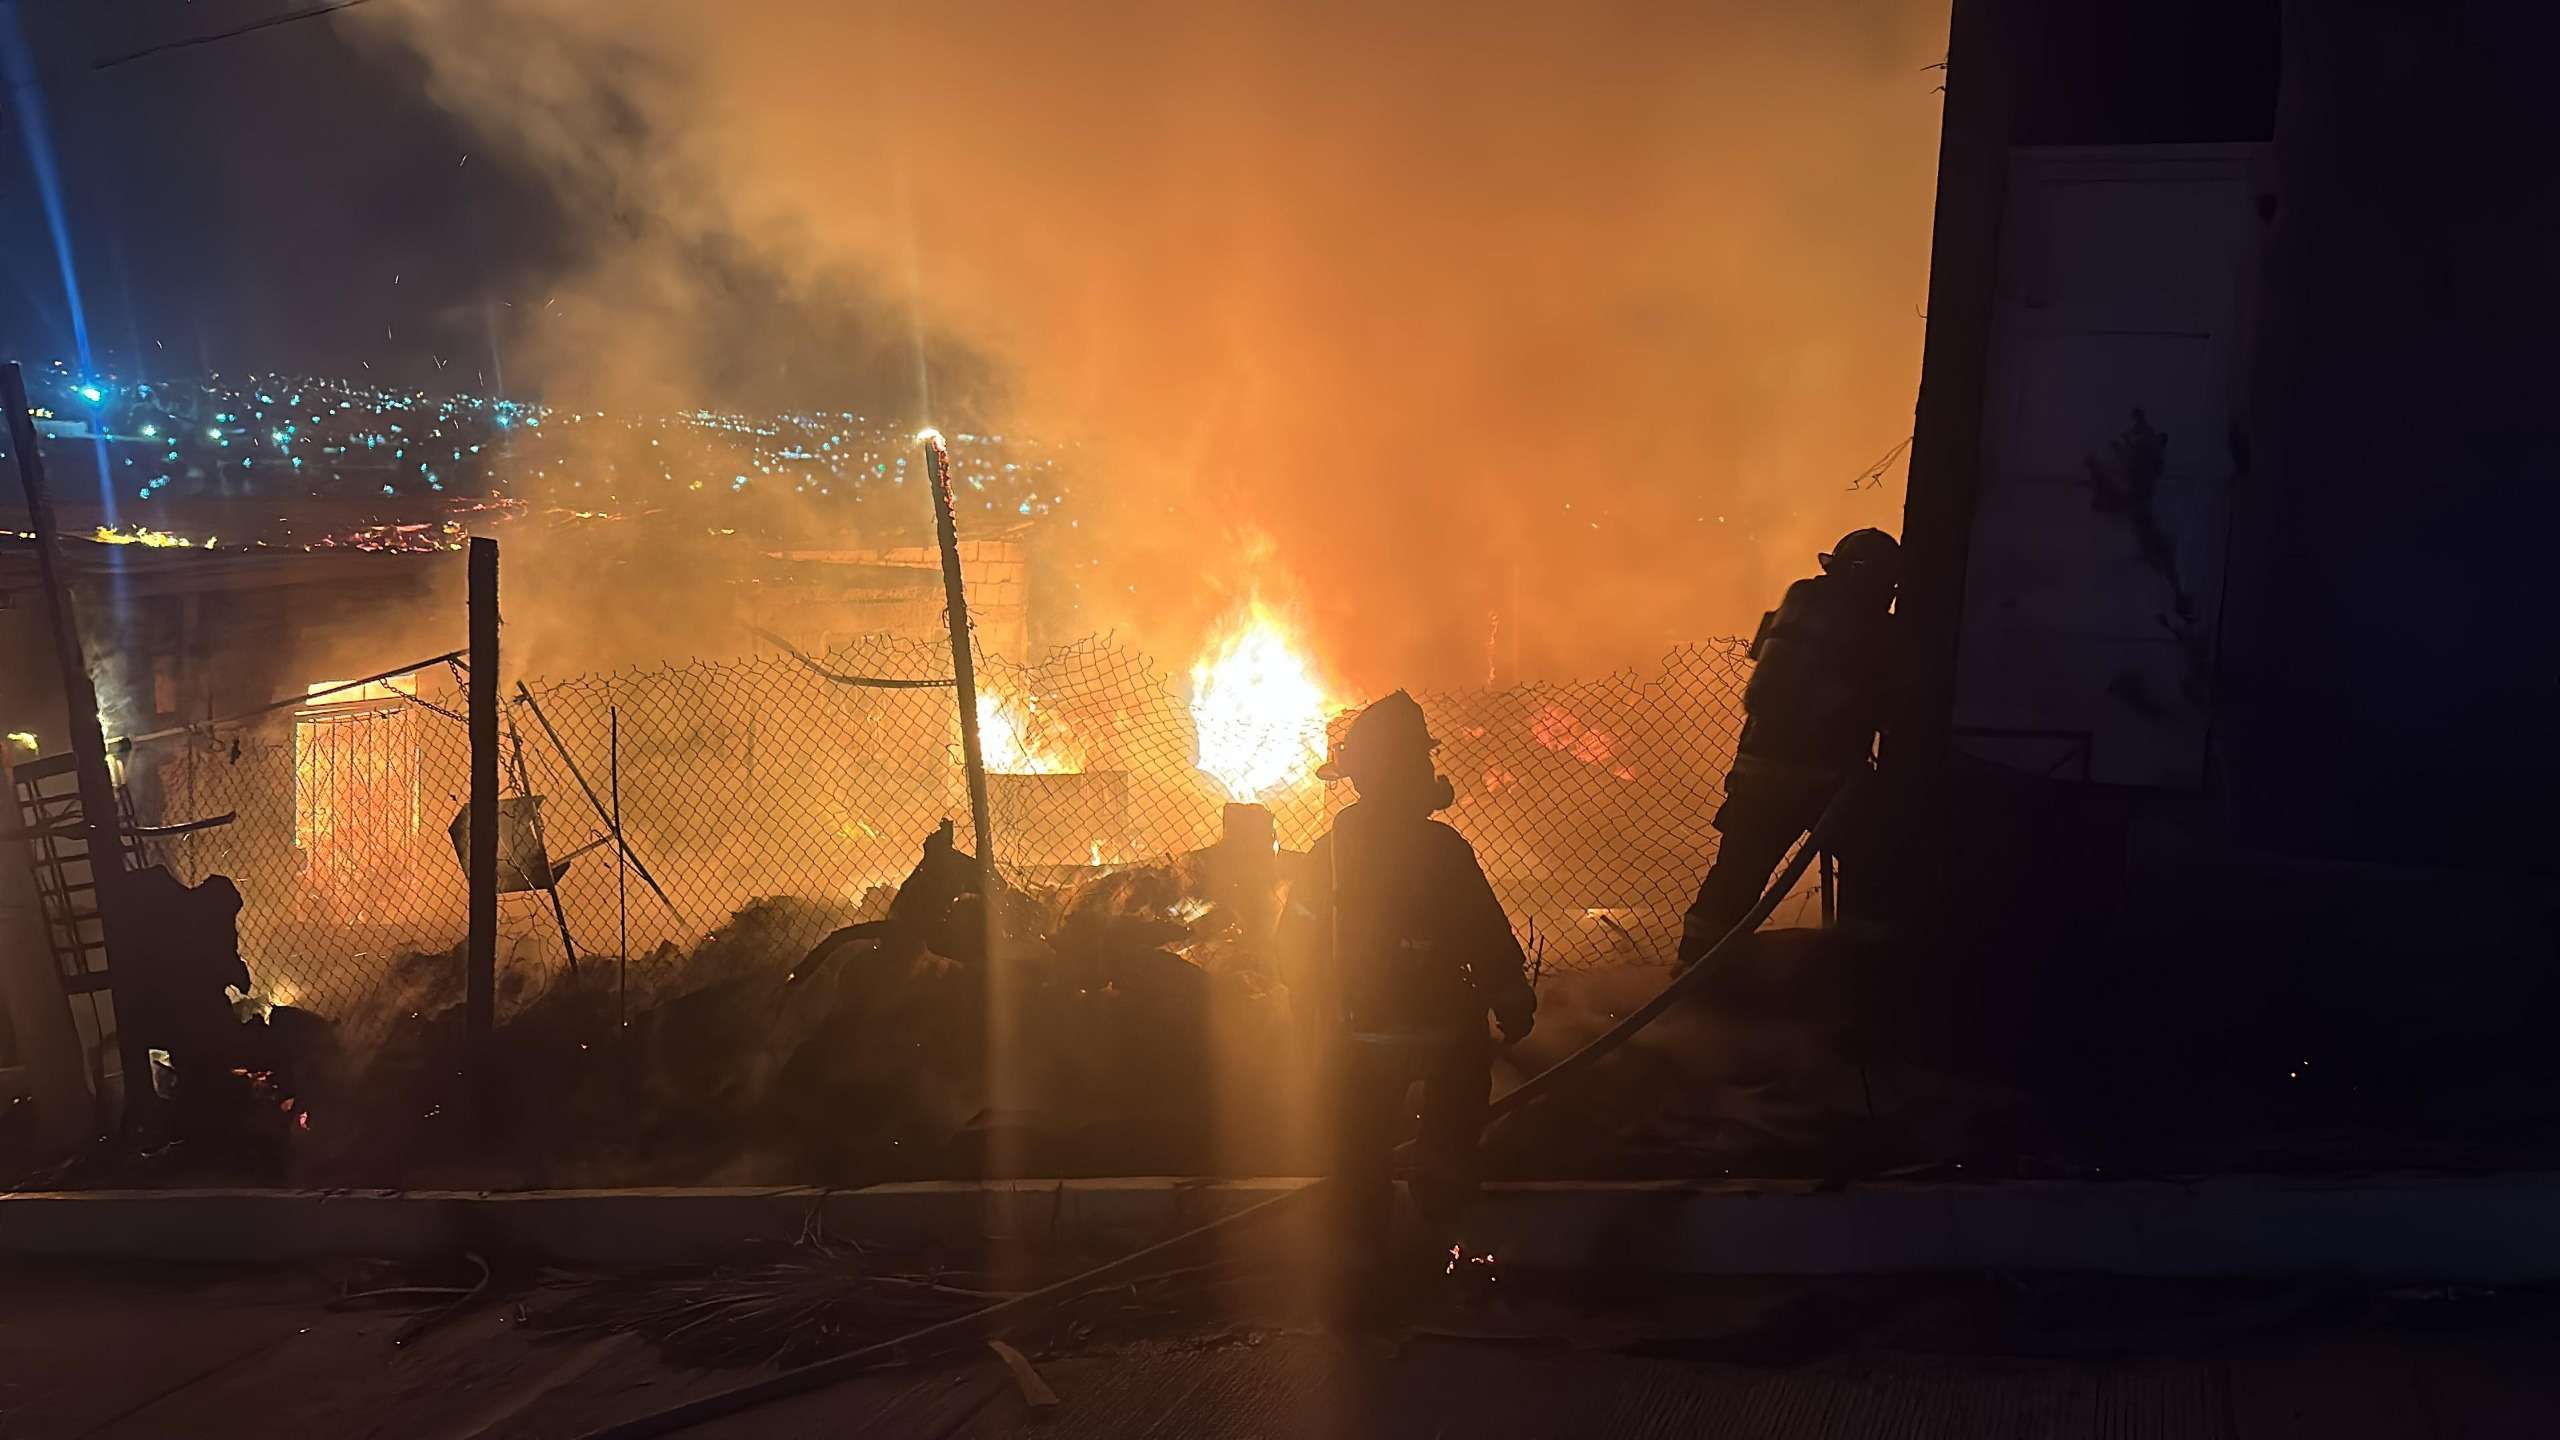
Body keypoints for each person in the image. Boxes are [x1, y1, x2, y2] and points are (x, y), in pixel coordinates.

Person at [1281, 691, 1536, 1268]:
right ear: (1413, 771)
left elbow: (1289, 949)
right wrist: (1511, 997)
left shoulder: (1329, 854)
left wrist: (1316, 1014)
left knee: (1358, 1159)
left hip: (1359, 1036)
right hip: (1445, 1032)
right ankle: (1445, 1252)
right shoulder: (1443, 849)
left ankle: (1359, 1265)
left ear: (1359, 778)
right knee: (1448, 1145)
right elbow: (1485, 935)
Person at [1677, 527, 1899, 967]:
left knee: (1735, 879)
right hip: (1827, 780)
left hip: (1757, 773)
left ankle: (1693, 973)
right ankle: (1861, 975)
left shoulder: (1799, 600)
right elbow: (1887, 699)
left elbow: (1767, 672)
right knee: (1881, 867)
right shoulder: (1875, 624)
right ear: (1873, 579)